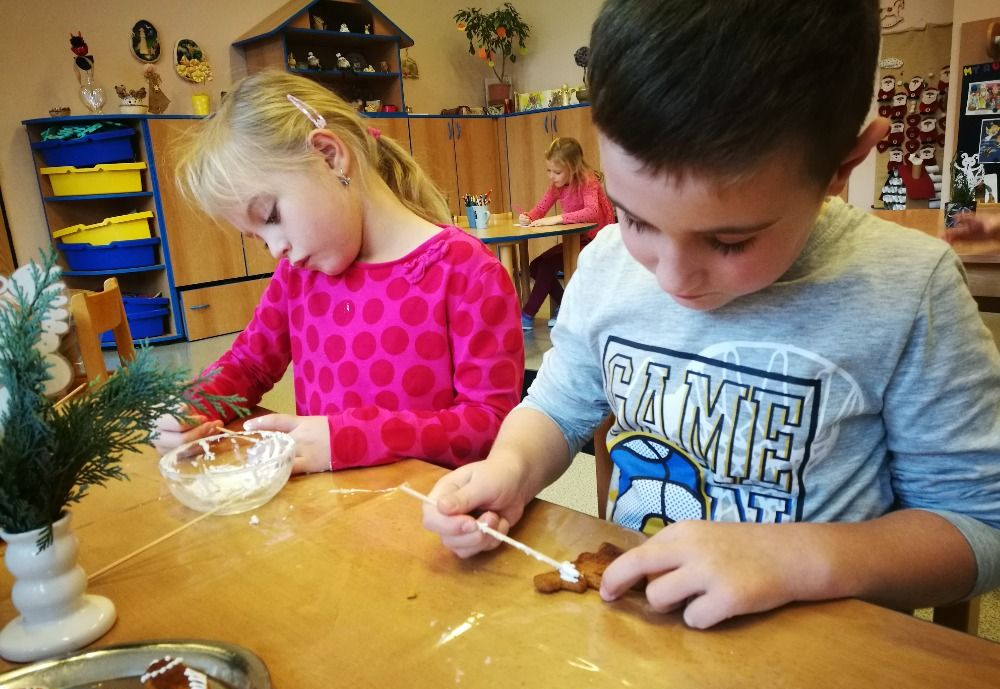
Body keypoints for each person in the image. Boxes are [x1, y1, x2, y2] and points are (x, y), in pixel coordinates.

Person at [422, 0, 1000, 629]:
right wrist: (510, 467)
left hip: (821, 662)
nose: (673, 278)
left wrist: (798, 559)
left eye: (730, 241)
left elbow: (980, 526)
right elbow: (557, 410)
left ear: (841, 165)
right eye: (635, 218)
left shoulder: (908, 289)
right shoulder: (608, 263)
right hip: (640, 641)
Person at [153, 70, 524, 473]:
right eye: (258, 238)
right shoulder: (297, 276)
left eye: (271, 216)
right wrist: (193, 407)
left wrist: (350, 439)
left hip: (431, 506)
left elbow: (488, 425)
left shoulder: (467, 272)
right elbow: (249, 364)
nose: (276, 249)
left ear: (329, 156)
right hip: (329, 506)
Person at [517, 137, 614, 330]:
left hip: (597, 241)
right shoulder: (557, 185)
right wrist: (528, 217)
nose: (552, 176)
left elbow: (592, 212)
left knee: (547, 265)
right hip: (578, 240)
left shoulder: (588, 181)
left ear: (573, 168)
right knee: (535, 266)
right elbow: (541, 208)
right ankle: (566, 305)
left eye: (557, 172)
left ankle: (527, 315)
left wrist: (558, 218)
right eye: (549, 171)